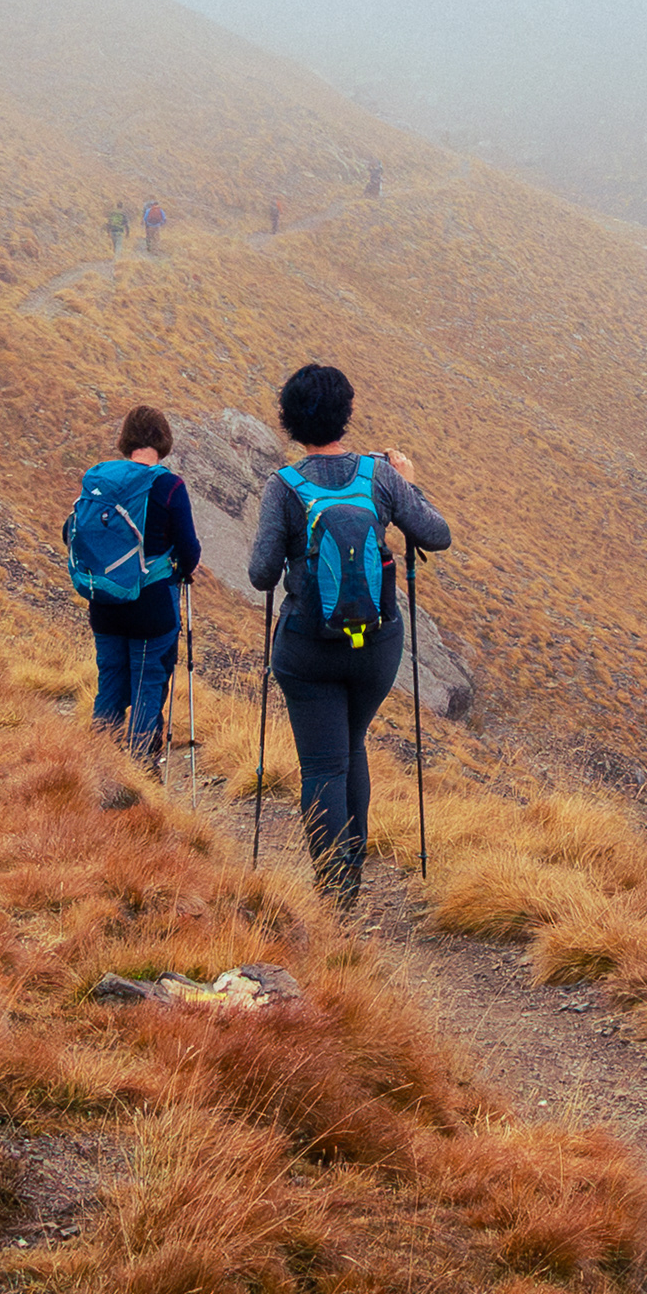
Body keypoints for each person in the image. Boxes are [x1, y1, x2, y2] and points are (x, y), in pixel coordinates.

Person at [246, 361, 450, 905]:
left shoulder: (283, 487)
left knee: (321, 764)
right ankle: (350, 881)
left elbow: (262, 575)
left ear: (289, 421)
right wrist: (408, 482)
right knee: (351, 745)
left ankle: (335, 895)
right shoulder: (379, 476)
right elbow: (437, 533)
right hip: (375, 647)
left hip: (308, 650)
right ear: (346, 415)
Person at [70, 403, 203, 779]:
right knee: (148, 684)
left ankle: (97, 774)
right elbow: (190, 550)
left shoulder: (99, 479)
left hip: (106, 602)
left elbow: (73, 532)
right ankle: (140, 778)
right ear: (163, 442)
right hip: (152, 606)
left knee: (110, 682)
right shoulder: (168, 485)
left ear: (126, 440)